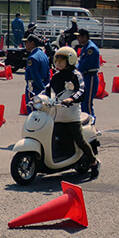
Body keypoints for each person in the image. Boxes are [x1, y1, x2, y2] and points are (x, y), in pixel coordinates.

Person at [43, 47, 100, 178]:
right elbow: (47, 89)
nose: (58, 63)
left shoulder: (76, 75)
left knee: (80, 140)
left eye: (62, 61)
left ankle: (93, 162)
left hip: (71, 116)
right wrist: (37, 98)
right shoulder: (56, 76)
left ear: (70, 60)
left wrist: (71, 99)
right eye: (57, 60)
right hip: (56, 114)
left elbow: (81, 91)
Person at [75, 29, 100, 118]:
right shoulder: (85, 47)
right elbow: (81, 62)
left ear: (85, 37)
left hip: (90, 76)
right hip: (85, 76)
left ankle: (91, 123)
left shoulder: (91, 48)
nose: (77, 38)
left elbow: (85, 65)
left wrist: (76, 70)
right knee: (83, 102)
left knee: (88, 103)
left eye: (79, 36)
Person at [23, 34, 50, 103]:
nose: (25, 44)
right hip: (43, 84)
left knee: (33, 109)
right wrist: (45, 87)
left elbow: (35, 76)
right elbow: (48, 73)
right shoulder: (44, 55)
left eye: (26, 42)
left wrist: (42, 89)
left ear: (32, 43)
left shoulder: (32, 58)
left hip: (34, 88)